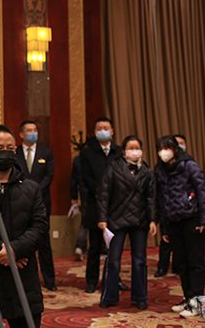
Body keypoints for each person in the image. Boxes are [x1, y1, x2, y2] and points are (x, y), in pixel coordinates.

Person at [0, 124, 48, 328]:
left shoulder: (31, 188)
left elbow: (39, 227)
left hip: (23, 280)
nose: (6, 152)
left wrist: (14, 250)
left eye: (10, 148)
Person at [155, 135, 205, 319]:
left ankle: (198, 301)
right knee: (181, 262)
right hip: (174, 221)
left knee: (195, 261)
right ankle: (188, 297)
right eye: (161, 148)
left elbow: (203, 192)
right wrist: (164, 228)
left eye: (167, 147)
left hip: (193, 219)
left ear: (175, 149)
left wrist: (204, 220)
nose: (164, 152)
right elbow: (161, 200)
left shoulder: (189, 165)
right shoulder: (159, 170)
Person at [97, 135, 157, 310]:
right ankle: (109, 296)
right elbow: (103, 194)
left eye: (137, 148)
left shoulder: (147, 171)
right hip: (116, 220)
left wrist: (153, 220)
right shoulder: (113, 168)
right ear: (124, 152)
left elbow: (151, 198)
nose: (134, 151)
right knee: (113, 260)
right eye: (131, 148)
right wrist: (102, 218)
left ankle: (140, 297)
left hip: (140, 221)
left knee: (139, 261)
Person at [79, 117, 128, 293]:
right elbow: (86, 178)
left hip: (116, 207)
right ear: (95, 132)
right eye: (99, 128)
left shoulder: (119, 152)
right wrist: (103, 193)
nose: (102, 131)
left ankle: (113, 279)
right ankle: (91, 280)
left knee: (115, 247)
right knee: (94, 247)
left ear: (112, 131)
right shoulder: (87, 153)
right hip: (95, 205)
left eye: (106, 128)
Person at [15, 120, 57, 291]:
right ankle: (24, 279)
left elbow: (49, 176)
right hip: (20, 202)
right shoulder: (16, 152)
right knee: (22, 240)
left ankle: (50, 280)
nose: (33, 133)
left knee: (44, 243)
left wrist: (34, 190)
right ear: (21, 134)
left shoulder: (46, 152)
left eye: (35, 130)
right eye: (29, 130)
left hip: (42, 203)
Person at [154, 133, 187, 277]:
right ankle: (162, 266)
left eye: (181, 143)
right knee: (166, 238)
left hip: (183, 207)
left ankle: (179, 266)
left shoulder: (187, 164)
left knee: (182, 240)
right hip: (166, 207)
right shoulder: (160, 167)